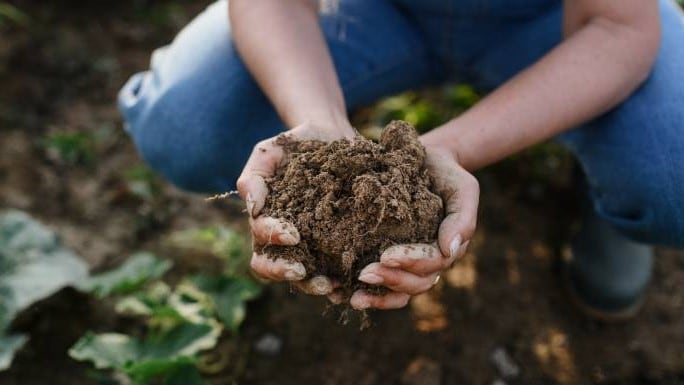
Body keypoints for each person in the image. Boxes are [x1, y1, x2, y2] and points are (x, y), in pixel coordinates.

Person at [118, 0, 684, 319]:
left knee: (672, 174)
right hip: (376, 10)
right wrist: (320, 126)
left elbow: (619, 26)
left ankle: (616, 205)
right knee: (184, 126)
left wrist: (449, 149)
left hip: (557, 23)